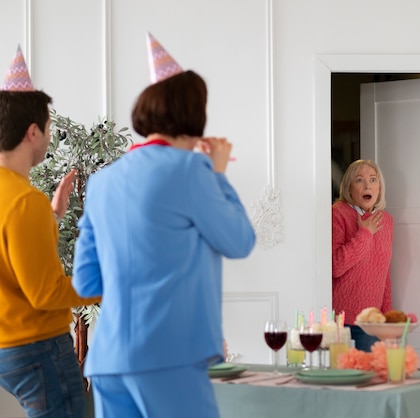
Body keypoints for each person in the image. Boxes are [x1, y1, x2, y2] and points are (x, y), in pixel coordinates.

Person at [71, 34, 256, 418]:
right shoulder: (192, 170)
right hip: (169, 357)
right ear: (194, 116)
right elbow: (239, 241)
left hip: (108, 362)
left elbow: (86, 284)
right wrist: (219, 174)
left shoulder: (101, 182)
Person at [0, 45, 100, 418]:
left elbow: (12, 260)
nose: (49, 138)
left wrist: (53, 216)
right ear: (32, 132)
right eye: (48, 130)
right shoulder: (25, 201)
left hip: (8, 348)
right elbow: (46, 293)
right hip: (38, 348)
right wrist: (105, 289)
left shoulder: (17, 199)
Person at [332, 159, 394, 351]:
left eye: (373, 180)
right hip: (343, 322)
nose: (368, 185)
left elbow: (384, 274)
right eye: (359, 180)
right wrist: (364, 233)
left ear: (379, 187)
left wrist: (386, 318)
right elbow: (335, 266)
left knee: (372, 378)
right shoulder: (337, 214)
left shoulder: (386, 221)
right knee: (346, 379)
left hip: (373, 322)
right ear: (349, 188)